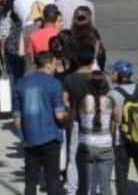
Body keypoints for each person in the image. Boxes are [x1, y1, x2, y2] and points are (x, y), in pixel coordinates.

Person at [14, 51, 68, 195]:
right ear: (48, 65)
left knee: (30, 179)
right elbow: (59, 115)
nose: (56, 68)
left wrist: (24, 138)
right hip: (50, 137)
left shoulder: (21, 84)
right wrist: (70, 119)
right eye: (55, 65)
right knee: (52, 179)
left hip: (30, 140)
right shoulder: (55, 84)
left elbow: (17, 120)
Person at [108, 60, 138, 195]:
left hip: (121, 139)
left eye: (113, 72)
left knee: (121, 174)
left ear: (119, 75)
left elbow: (111, 117)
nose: (111, 75)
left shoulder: (113, 93)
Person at [64, 42, 99, 195]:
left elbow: (65, 100)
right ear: (92, 59)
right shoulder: (98, 78)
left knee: (73, 158)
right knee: (95, 158)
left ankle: (72, 189)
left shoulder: (70, 79)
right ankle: (93, 189)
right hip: (96, 123)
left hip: (77, 122)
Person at [75, 70, 117, 195]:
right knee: (105, 187)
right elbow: (117, 118)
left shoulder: (82, 101)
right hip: (105, 147)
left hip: (85, 147)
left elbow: (75, 118)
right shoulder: (110, 101)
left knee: (83, 186)